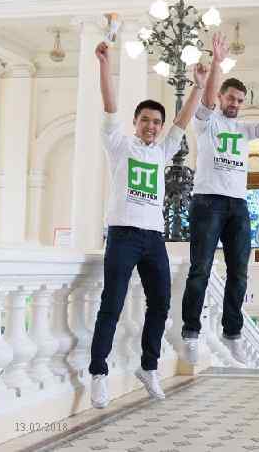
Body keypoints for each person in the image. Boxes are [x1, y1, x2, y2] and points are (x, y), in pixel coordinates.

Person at [89, 40, 209, 409]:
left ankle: (148, 366)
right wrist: (105, 64)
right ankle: (98, 373)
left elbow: (182, 121)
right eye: (146, 120)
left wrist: (199, 85)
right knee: (112, 303)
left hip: (153, 238)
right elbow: (109, 104)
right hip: (123, 235)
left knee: (160, 303)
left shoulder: (162, 151)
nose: (152, 126)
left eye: (156, 122)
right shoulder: (119, 145)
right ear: (135, 122)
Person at [181, 41, 259, 365]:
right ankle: (191, 331)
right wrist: (217, 63)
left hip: (238, 205)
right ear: (221, 97)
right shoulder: (206, 122)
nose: (235, 104)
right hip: (208, 202)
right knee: (200, 269)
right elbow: (206, 100)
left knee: (239, 272)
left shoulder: (243, 130)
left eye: (240, 100)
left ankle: (232, 332)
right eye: (231, 98)